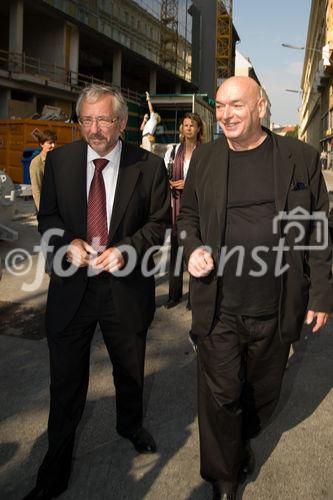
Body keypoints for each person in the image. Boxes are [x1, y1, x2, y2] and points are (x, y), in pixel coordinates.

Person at [177, 76, 333, 500]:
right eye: (221, 107)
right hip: (219, 306)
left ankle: (240, 439)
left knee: (262, 396)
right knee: (220, 395)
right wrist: (190, 247)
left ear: (260, 107)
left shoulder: (299, 157)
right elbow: (187, 215)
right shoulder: (206, 158)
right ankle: (223, 477)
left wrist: (321, 294)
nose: (225, 114)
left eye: (236, 105)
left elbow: (318, 230)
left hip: (277, 305)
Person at [23, 84, 170, 500]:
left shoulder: (149, 166)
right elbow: (47, 216)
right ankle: (54, 471)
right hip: (72, 290)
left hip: (124, 288)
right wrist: (66, 242)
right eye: (86, 119)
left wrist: (129, 250)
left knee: (130, 370)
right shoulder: (60, 162)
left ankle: (130, 425)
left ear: (122, 122)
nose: (94, 129)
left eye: (104, 119)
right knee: (66, 385)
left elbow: (158, 223)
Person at [164, 112, 204, 309]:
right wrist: (170, 183)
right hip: (176, 208)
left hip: (198, 209)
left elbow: (208, 182)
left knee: (193, 252)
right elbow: (164, 176)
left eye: (192, 125)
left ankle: (193, 298)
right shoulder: (173, 151)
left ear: (198, 129)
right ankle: (174, 294)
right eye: (185, 125)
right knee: (175, 254)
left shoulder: (205, 152)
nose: (188, 128)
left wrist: (187, 185)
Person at [29, 129, 57, 211]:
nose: (53, 145)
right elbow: (36, 190)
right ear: (41, 144)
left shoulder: (57, 159)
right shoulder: (36, 163)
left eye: (55, 142)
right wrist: (42, 210)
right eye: (50, 143)